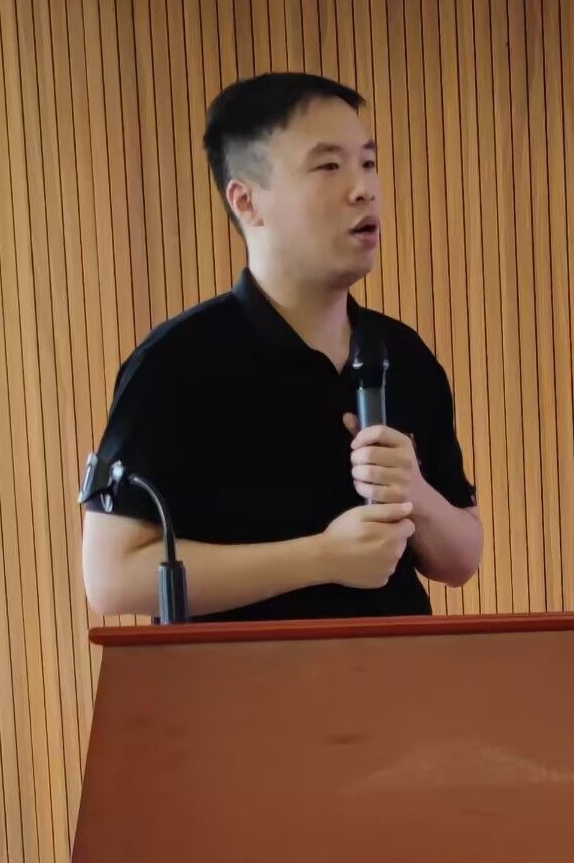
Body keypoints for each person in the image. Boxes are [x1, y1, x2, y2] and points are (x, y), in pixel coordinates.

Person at [81, 72, 482, 621]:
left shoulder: (402, 353)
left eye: (368, 162)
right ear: (247, 201)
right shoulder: (177, 362)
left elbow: (462, 560)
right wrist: (323, 558)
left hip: (398, 673)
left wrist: (415, 491)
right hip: (239, 677)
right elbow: (112, 577)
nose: (363, 188)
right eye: (329, 166)